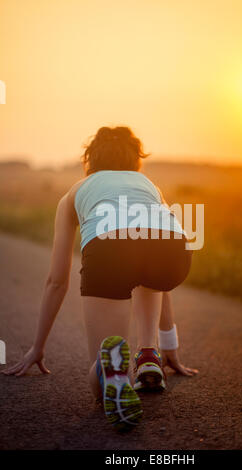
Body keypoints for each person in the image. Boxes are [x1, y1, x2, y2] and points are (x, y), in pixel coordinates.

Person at [2, 126, 198, 431]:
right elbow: (163, 283)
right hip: (174, 251)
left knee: (101, 369)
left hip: (110, 248)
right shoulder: (148, 185)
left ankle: (112, 371)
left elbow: (57, 281)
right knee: (151, 267)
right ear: (136, 159)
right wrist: (170, 345)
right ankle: (150, 353)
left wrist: (37, 347)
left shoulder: (75, 193)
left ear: (90, 159)